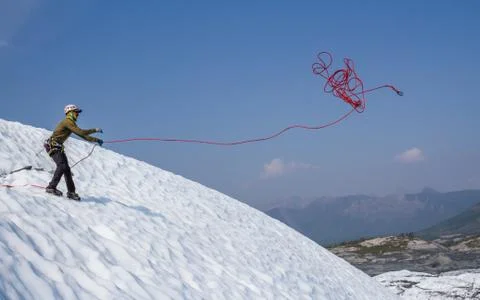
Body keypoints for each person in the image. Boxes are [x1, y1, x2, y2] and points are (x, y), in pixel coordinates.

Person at [44, 104, 103, 200]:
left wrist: (95, 135)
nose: (78, 114)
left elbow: (82, 133)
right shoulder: (67, 122)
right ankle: (51, 187)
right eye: (76, 112)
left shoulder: (70, 122)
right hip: (53, 145)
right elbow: (81, 133)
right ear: (70, 112)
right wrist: (95, 135)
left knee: (66, 169)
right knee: (62, 166)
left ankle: (71, 192)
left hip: (57, 147)